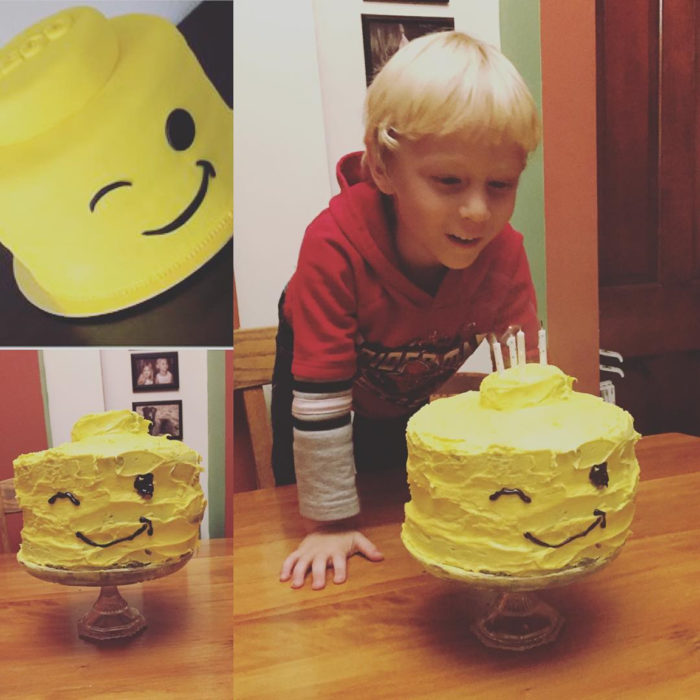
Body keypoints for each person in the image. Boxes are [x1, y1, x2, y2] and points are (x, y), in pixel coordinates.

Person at [273, 31, 541, 590]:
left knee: (404, 492)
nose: (476, 211)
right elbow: (321, 401)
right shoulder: (332, 246)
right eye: (448, 181)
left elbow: (523, 394)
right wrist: (330, 522)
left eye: (500, 185)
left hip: (410, 395)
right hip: (325, 393)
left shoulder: (506, 254)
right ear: (383, 167)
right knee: (319, 511)